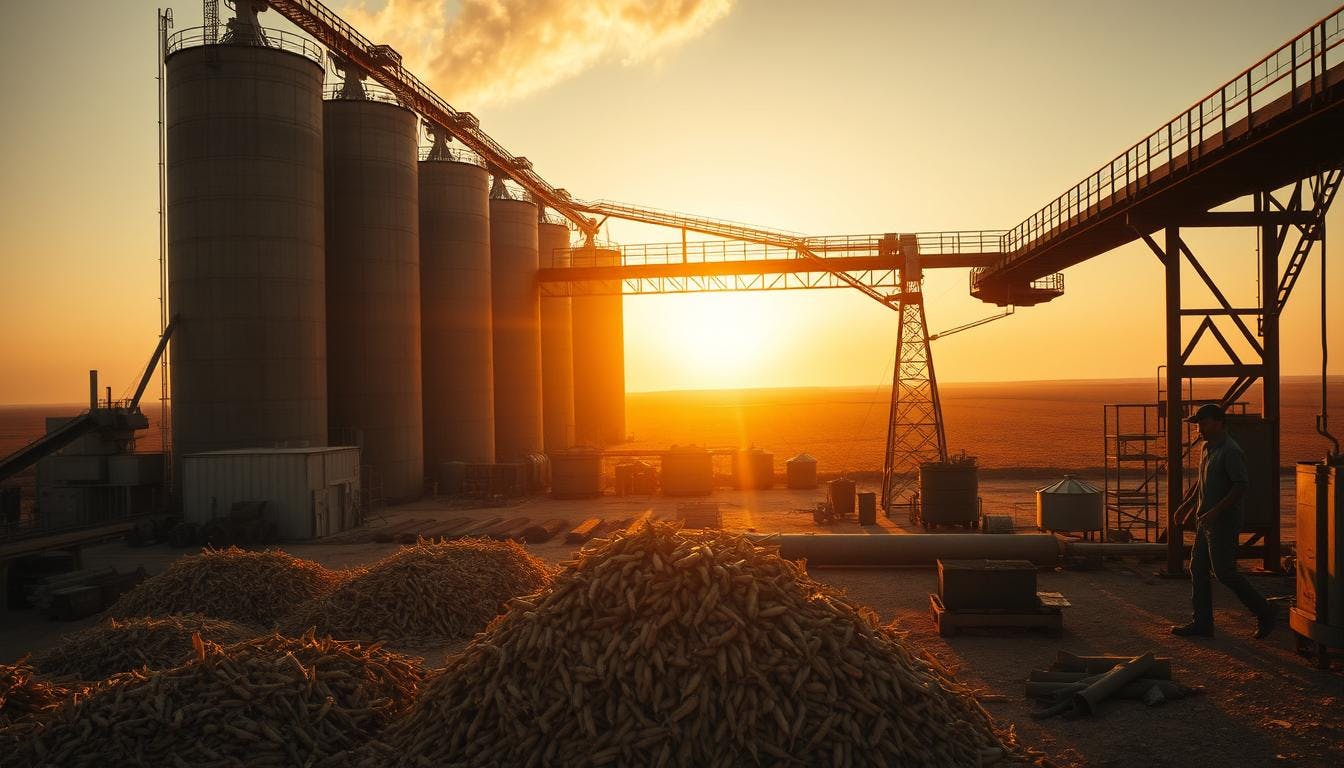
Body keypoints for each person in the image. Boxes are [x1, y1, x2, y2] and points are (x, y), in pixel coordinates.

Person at [1171, 403, 1276, 639]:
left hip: (1223, 522)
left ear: (1219, 423)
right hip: (1205, 521)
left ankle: (1264, 610)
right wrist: (1185, 506)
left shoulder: (1231, 451)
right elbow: (1201, 482)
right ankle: (1202, 623)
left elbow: (1240, 486)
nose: (1200, 429)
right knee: (1197, 569)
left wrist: (1215, 512)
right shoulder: (1207, 448)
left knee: (1224, 572)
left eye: (1204, 424)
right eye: (1198, 425)